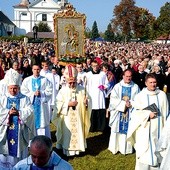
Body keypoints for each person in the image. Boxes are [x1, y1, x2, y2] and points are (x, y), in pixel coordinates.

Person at [127, 73, 169, 170]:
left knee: (158, 150)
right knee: (145, 153)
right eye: (150, 82)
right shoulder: (140, 96)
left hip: (159, 129)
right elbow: (135, 113)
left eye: (154, 82)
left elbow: (166, 112)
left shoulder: (162, 95)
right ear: (146, 83)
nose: (153, 84)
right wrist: (147, 115)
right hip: (145, 129)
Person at [52, 64, 91, 156]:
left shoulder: (82, 90)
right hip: (67, 117)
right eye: (70, 82)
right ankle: (67, 149)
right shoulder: (63, 91)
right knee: (67, 132)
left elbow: (88, 101)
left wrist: (86, 102)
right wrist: (68, 104)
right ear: (67, 81)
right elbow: (57, 104)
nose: (72, 84)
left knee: (78, 131)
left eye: (74, 82)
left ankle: (78, 150)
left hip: (79, 116)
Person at [0, 69, 35, 169]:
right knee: (4, 155)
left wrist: (19, 113)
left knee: (19, 153)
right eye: (10, 88)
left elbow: (30, 111)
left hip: (20, 132)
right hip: (5, 132)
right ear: (7, 88)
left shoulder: (24, 98)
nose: (12, 91)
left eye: (15, 88)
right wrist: (8, 112)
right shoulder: (2, 98)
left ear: (19, 88)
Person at [108, 69, 140, 155]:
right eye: (127, 76)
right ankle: (115, 148)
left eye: (130, 76)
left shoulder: (135, 87)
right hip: (118, 113)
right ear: (123, 76)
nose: (128, 78)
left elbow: (138, 100)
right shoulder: (117, 86)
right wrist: (123, 105)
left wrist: (131, 103)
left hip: (130, 111)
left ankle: (127, 149)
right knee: (116, 130)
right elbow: (113, 100)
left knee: (129, 130)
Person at [21, 64, 53, 138]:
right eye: (35, 69)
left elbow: (50, 91)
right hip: (31, 105)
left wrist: (41, 93)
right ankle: (31, 141)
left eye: (38, 69)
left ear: (40, 70)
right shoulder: (27, 80)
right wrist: (33, 94)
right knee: (31, 122)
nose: (36, 71)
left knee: (42, 123)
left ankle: (42, 140)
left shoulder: (44, 80)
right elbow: (23, 92)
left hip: (41, 106)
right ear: (32, 70)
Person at [86, 60, 109, 132]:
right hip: (91, 94)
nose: (95, 67)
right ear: (91, 66)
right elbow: (86, 85)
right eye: (93, 66)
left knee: (100, 110)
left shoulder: (102, 74)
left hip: (100, 94)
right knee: (92, 110)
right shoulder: (88, 74)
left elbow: (107, 84)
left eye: (96, 66)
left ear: (99, 66)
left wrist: (104, 86)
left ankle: (101, 127)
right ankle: (92, 127)